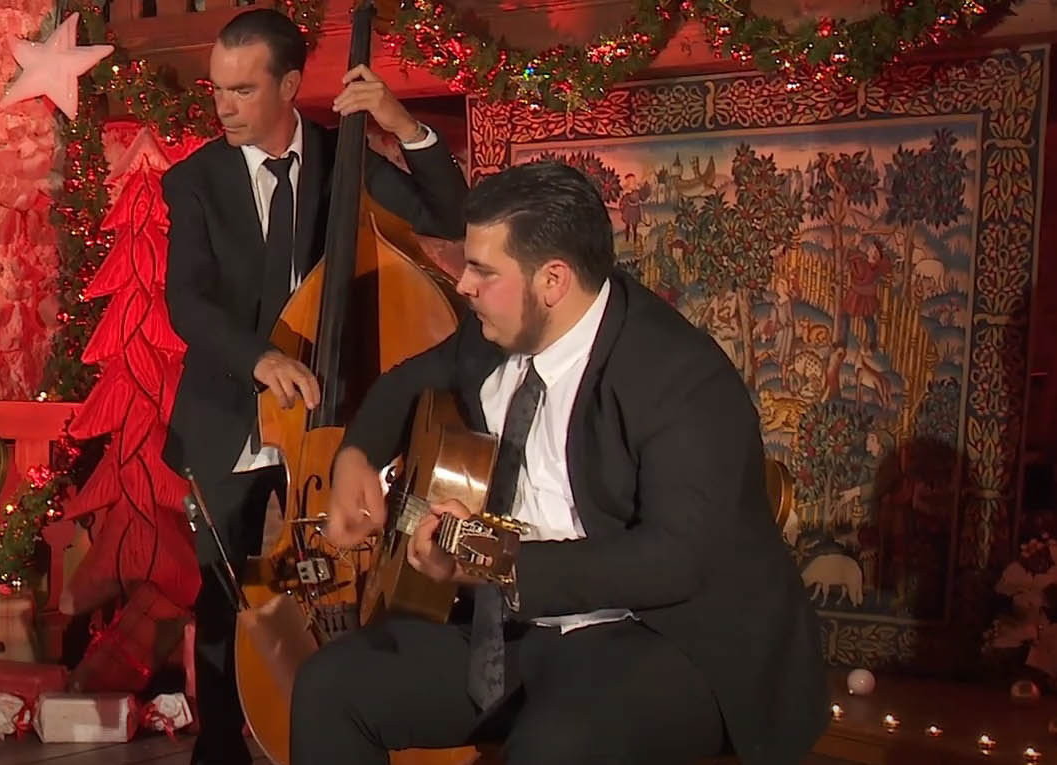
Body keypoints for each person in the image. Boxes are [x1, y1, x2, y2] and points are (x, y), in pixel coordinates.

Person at [296, 160, 828, 764]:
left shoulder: (680, 375)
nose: (463, 285)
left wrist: (489, 560)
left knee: (554, 748)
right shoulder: (493, 333)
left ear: (552, 280)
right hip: (515, 629)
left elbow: (674, 560)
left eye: (483, 270)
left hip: (661, 633)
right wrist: (356, 457)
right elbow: (404, 383)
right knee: (329, 688)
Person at [157, 9, 467, 764]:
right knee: (228, 598)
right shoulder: (195, 180)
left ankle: (347, 729)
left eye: (242, 90)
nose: (223, 106)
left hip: (331, 420)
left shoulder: (342, 155)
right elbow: (188, 301)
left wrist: (401, 123)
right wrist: (260, 358)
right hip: (233, 412)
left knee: (345, 580)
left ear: (290, 85)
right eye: (217, 89)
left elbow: (451, 213)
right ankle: (220, 751)